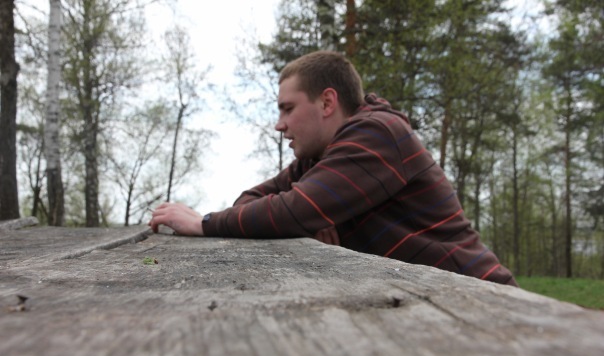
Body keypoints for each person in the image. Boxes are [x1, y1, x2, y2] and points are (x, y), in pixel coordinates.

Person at [149, 50, 518, 286]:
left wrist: (203, 223)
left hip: (483, 295)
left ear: (327, 103)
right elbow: (251, 200)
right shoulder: (316, 160)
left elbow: (295, 210)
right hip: (424, 296)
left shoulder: (378, 132)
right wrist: (310, 216)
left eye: (288, 108)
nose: (279, 124)